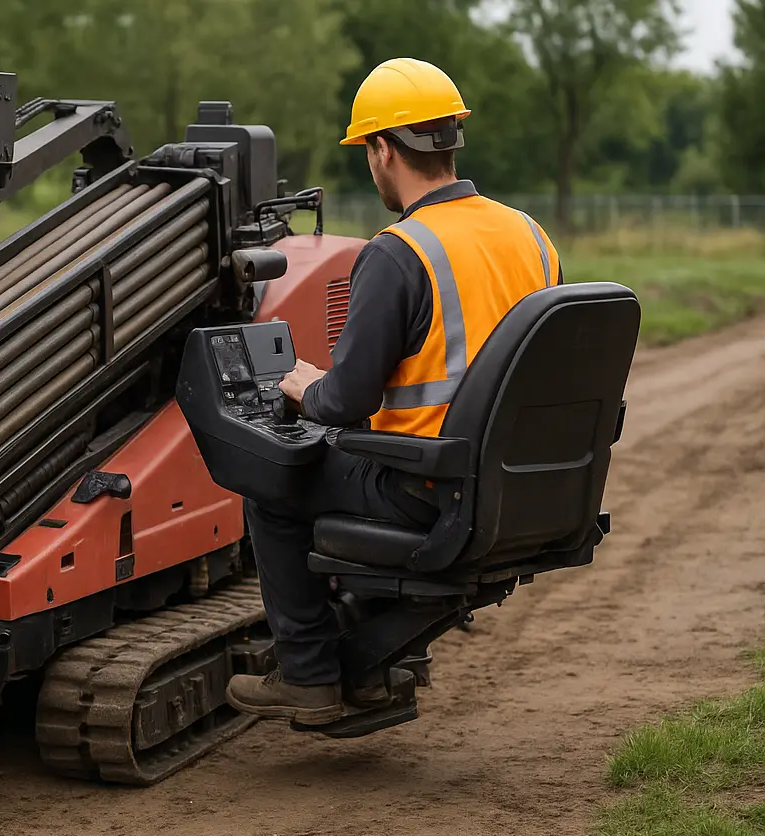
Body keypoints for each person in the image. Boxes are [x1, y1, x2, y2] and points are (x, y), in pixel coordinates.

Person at [224, 57, 561, 726]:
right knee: (347, 457)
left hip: (429, 491)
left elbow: (346, 402)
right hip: (519, 485)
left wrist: (304, 386)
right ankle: (376, 669)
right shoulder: (530, 233)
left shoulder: (399, 251)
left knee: (272, 485)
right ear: (450, 138)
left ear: (382, 149)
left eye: (366, 150)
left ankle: (310, 677)